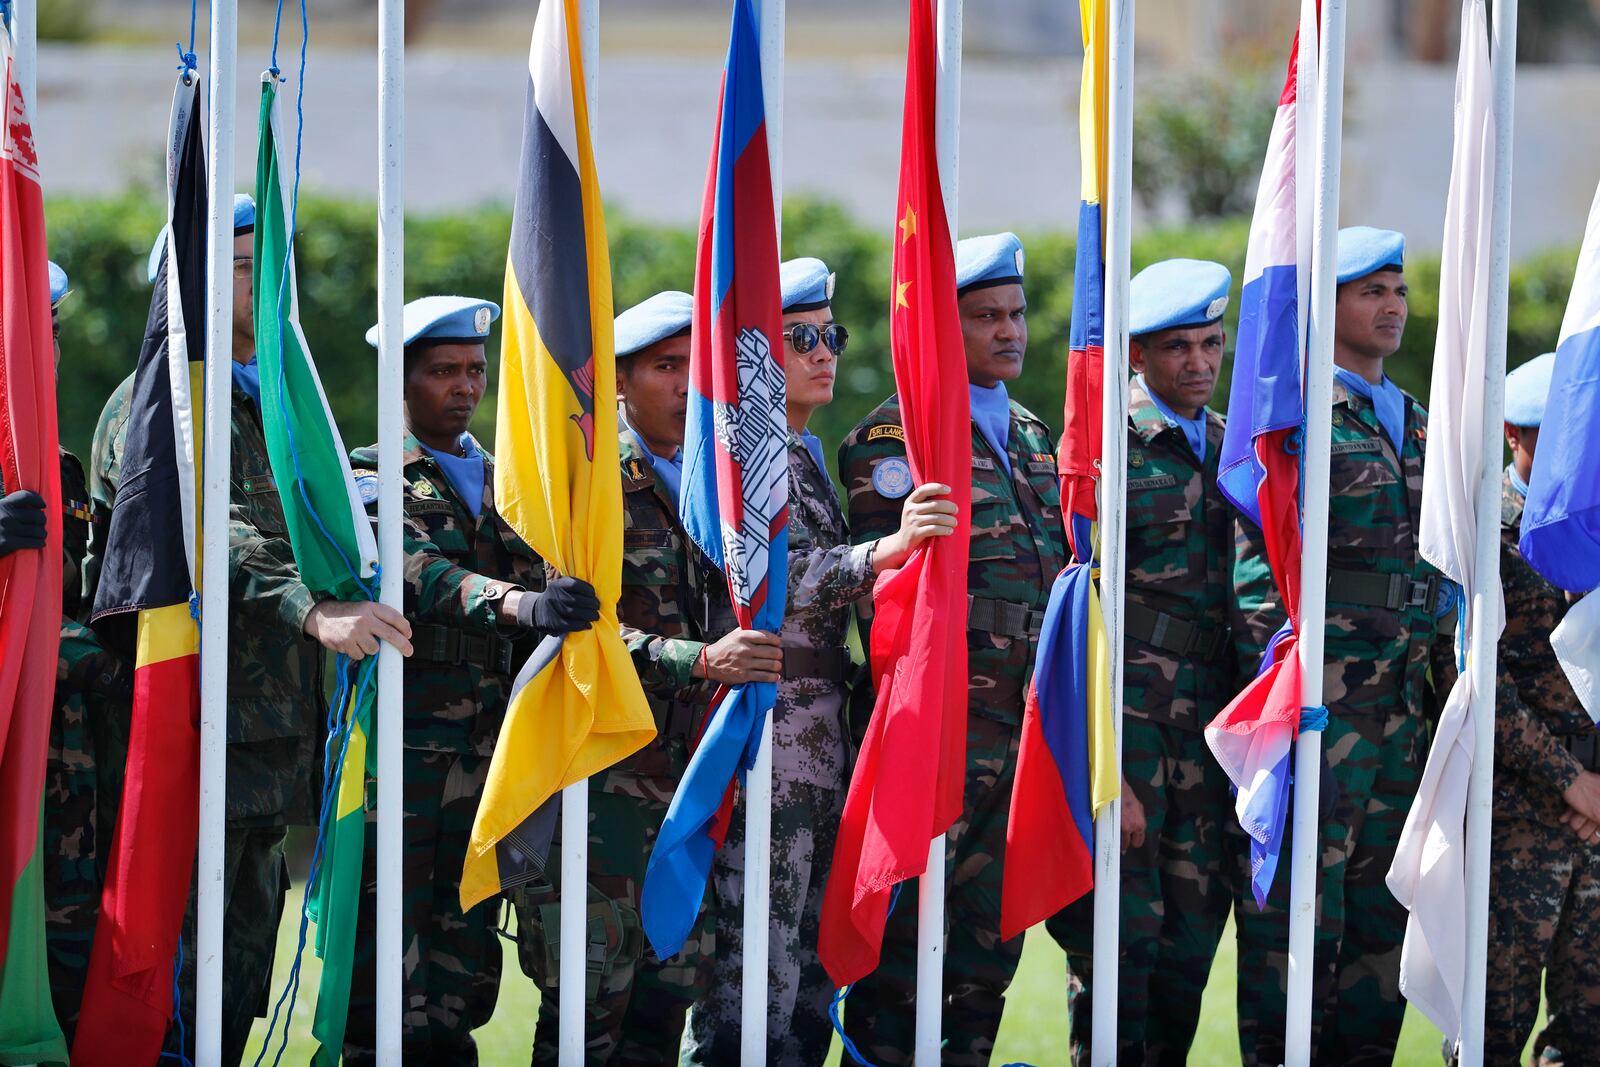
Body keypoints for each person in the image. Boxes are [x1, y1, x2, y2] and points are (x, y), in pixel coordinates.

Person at [162, 194, 414, 1066]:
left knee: (237, 993)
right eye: (240, 266)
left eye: (269, 263)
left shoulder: (278, 409)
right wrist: (315, 609)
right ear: (190, 282)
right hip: (191, 748)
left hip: (268, 757)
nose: (263, 281)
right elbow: (213, 529)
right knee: (174, 997)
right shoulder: (166, 404)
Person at [685, 258, 957, 1065]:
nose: (823, 351)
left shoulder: (801, 453)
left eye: (829, 335)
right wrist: (889, 548)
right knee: (751, 983)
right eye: (799, 337)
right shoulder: (744, 452)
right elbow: (774, 576)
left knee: (805, 981)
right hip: (765, 738)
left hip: (817, 736)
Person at [513, 289, 778, 1062]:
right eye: (666, 366)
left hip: (696, 783)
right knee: (589, 1014)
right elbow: (576, 629)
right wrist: (695, 659)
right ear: (620, 384)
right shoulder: (586, 488)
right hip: (603, 787)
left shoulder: (730, 487)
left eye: (699, 366)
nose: (686, 382)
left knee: (665, 1012)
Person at [342, 296, 598, 1065]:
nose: (464, 386)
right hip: (406, 748)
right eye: (443, 371)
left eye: (476, 370)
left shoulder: (513, 480)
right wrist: (522, 602)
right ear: (403, 382)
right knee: (386, 936)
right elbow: (415, 571)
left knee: (467, 938)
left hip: (495, 747)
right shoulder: (371, 473)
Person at [837, 233, 1066, 1065]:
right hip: (940, 737)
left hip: (1024, 735)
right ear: (941, 323)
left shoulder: (1037, 434)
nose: (1010, 331)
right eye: (984, 316)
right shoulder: (895, 438)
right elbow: (885, 592)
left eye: (1016, 313)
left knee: (984, 955)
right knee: (904, 957)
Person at [1231, 226, 1458, 1066]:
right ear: (1325, 307)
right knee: (1297, 920)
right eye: (1371, 291)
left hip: (1405, 710)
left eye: (1397, 290)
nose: (1392, 306)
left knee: (1380, 921)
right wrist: (1287, 695)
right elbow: (1261, 573)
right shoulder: (1297, 425)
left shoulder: (1424, 425)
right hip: (1322, 710)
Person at [1047, 259, 1242, 1065]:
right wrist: (1107, 767)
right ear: (1134, 355)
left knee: (1192, 945)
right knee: (1119, 944)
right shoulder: (1105, 454)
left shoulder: (1236, 448)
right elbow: (1070, 614)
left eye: (1210, 343)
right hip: (1128, 726)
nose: (1199, 362)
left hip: (1212, 731)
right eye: (1177, 348)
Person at [1481, 352, 1600, 1064]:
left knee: (1588, 1035)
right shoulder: (1482, 529)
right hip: (1517, 818)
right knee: (1491, 1022)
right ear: (1512, 436)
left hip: (1598, 814)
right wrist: (1570, 779)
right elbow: (1471, 679)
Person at [26, 261, 133, 1042]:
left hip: (67, 781)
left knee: (68, 973)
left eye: (51, 334)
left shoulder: (56, 466)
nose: (43, 350)